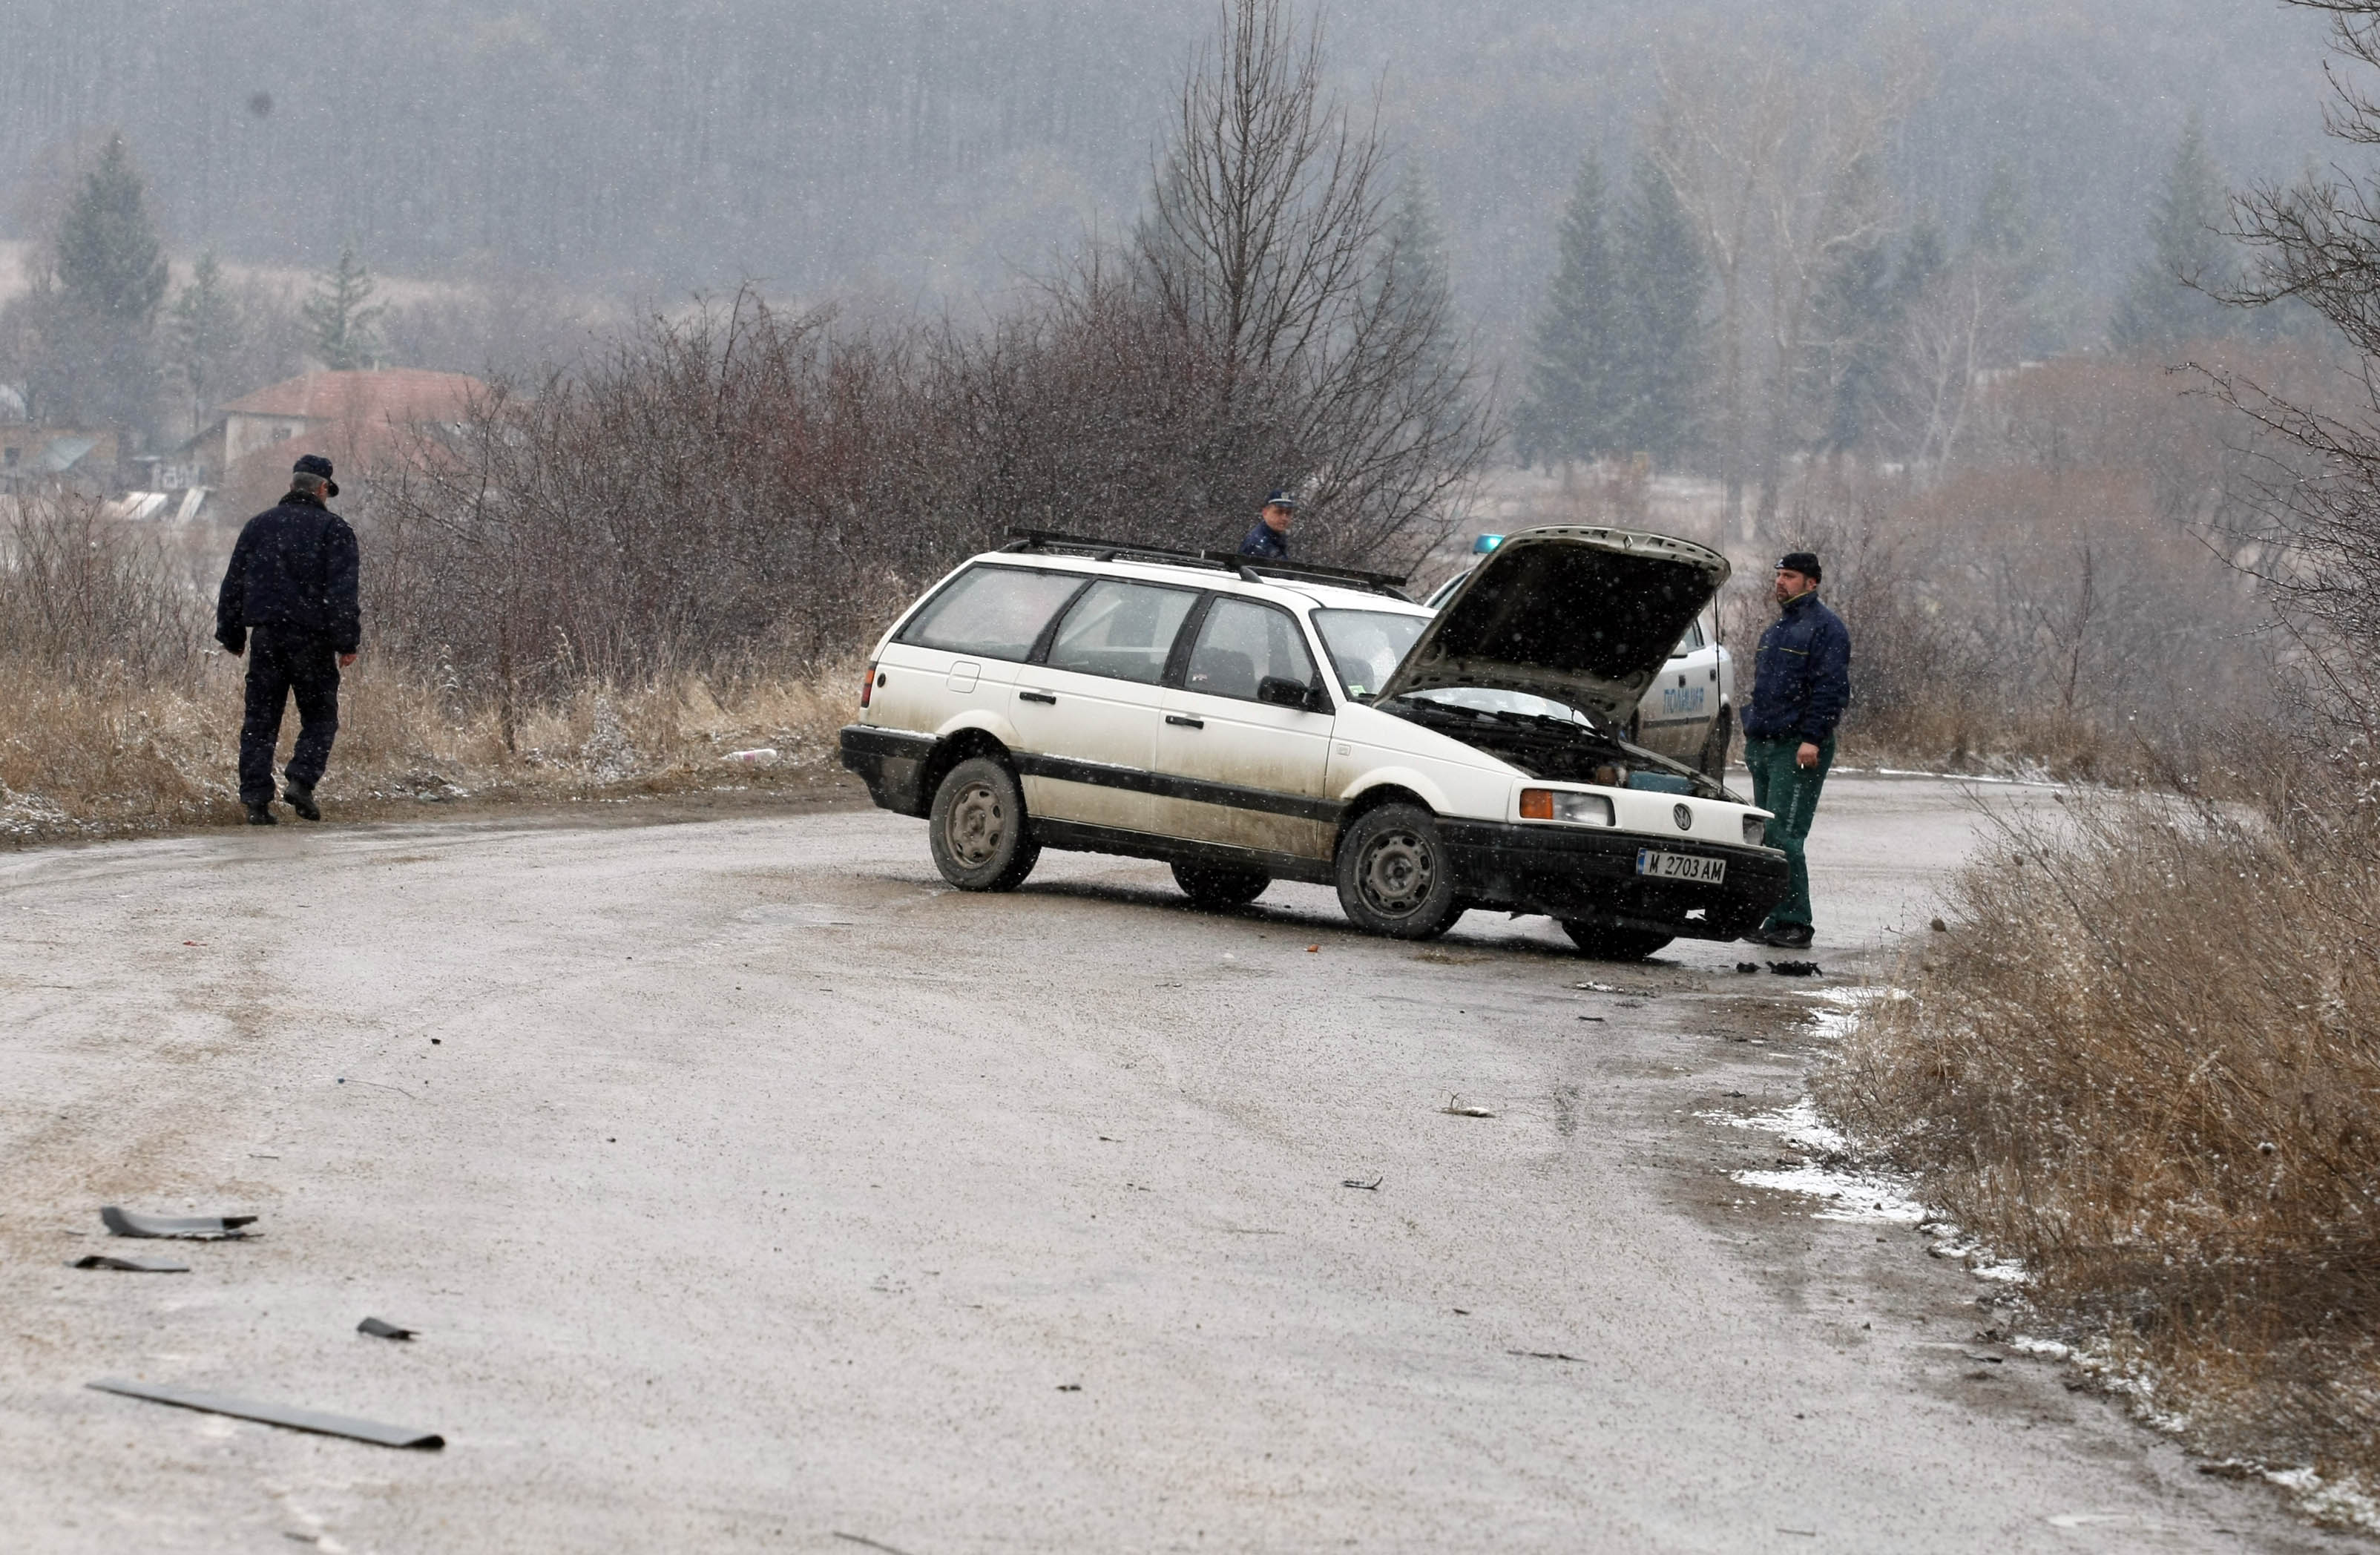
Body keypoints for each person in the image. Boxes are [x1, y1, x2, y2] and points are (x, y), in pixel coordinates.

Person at [215, 454, 361, 826]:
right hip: (312, 641)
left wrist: (232, 634)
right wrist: (347, 642)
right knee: (320, 717)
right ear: (323, 489)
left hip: (266, 638)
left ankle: (256, 802)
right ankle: (301, 780)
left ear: (292, 485)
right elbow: (342, 593)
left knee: (260, 721)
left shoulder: (258, 526)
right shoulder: (334, 530)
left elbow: (232, 585)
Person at [1738, 550, 1851, 950]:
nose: (1780, 582)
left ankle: (1796, 923)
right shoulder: (1776, 631)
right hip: (1765, 744)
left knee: (1785, 835)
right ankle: (1773, 918)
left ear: (1812, 582)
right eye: (1779, 575)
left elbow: (1831, 690)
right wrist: (1751, 729)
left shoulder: (1826, 629)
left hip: (1797, 747)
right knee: (1767, 836)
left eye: (1789, 576)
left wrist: (1812, 739)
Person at [1238, 490, 1298, 560]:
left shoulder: (1276, 538)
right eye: (1279, 512)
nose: (1284, 518)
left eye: (1288, 513)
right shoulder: (1258, 545)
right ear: (1265, 513)